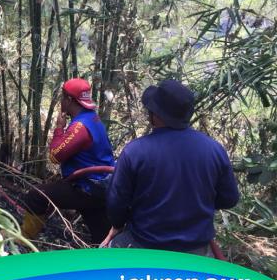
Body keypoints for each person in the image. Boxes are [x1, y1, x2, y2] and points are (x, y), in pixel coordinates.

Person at [103, 79, 240, 256]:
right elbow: (229, 199)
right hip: (198, 249)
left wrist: (118, 225)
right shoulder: (214, 149)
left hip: (143, 245)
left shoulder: (135, 151)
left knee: (100, 264)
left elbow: (116, 202)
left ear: (156, 115)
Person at [21, 78, 115, 244]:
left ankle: (23, 240)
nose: (61, 101)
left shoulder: (80, 127)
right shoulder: (93, 118)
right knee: (101, 236)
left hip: (87, 187)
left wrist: (59, 128)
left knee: (36, 196)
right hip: (102, 186)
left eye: (63, 97)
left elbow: (55, 156)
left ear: (69, 100)